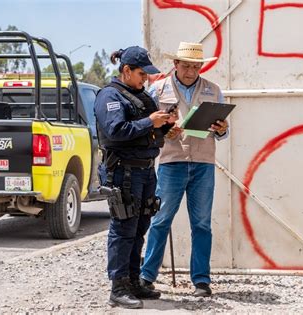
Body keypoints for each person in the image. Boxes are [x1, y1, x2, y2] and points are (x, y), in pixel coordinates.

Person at [140, 42, 229, 297]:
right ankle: (147, 276)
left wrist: (222, 129)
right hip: (172, 162)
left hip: (203, 163)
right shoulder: (157, 90)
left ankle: (201, 281)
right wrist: (165, 132)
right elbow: (149, 127)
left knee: (201, 223)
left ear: (201, 66)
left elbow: (223, 132)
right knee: (160, 220)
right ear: (175, 64)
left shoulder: (214, 90)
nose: (191, 71)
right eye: (186, 65)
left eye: (195, 66)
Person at [94, 46, 176, 309]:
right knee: (124, 228)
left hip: (145, 170)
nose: (146, 79)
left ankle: (132, 281)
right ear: (126, 70)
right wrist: (149, 123)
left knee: (141, 226)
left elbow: (150, 132)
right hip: (123, 171)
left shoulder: (141, 96)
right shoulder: (110, 95)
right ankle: (117, 288)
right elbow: (115, 130)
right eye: (142, 74)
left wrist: (166, 125)